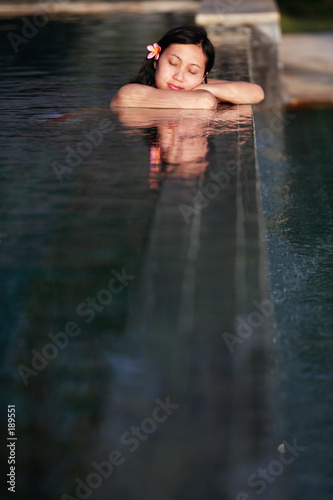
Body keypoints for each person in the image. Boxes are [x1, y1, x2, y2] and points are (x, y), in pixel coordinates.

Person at [110, 25, 264, 109]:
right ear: (156, 61)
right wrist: (200, 90)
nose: (179, 77)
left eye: (192, 71)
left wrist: (204, 88)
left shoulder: (197, 86)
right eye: (172, 63)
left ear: (203, 76)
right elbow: (204, 101)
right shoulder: (130, 92)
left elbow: (256, 93)